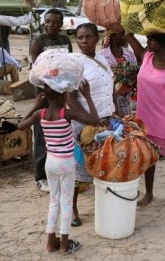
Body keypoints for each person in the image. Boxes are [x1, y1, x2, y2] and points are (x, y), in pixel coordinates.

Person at [18, 66, 101, 254]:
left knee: (54, 201)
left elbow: (20, 125)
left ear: (45, 96)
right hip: (66, 163)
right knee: (65, 202)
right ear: (64, 97)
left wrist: (35, 106)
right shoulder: (67, 114)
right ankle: (64, 245)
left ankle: (50, 242)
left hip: (50, 163)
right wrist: (87, 95)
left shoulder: (41, 114)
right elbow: (95, 120)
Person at [125, 32, 165, 209]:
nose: (148, 41)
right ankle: (149, 193)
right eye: (148, 38)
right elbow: (129, 37)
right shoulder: (146, 57)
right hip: (145, 119)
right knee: (148, 157)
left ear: (162, 42)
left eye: (151, 39)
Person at [70, 23, 116, 226]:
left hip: (106, 121)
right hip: (84, 124)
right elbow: (70, 100)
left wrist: (115, 113)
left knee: (104, 165)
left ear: (97, 39)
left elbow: (110, 88)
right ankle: (72, 208)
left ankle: (106, 206)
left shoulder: (102, 60)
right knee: (78, 169)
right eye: (80, 37)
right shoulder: (74, 64)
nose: (84, 41)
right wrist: (89, 121)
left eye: (88, 37)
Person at [29, 8, 73, 192]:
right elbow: (38, 70)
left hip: (61, 92)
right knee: (42, 132)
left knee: (60, 131)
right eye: (47, 21)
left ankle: (58, 172)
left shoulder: (65, 40)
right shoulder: (38, 42)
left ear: (61, 23)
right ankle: (40, 176)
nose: (51, 25)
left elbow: (68, 63)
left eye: (55, 22)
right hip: (46, 92)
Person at [99, 30, 138, 117]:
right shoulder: (102, 55)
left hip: (125, 98)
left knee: (125, 123)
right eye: (122, 34)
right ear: (113, 36)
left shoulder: (129, 54)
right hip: (108, 100)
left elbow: (134, 74)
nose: (125, 37)